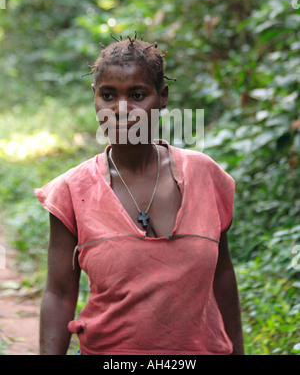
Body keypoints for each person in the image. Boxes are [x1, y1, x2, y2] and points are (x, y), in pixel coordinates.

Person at [34, 33, 244, 355]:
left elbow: (223, 277)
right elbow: (59, 295)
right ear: (95, 98)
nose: (121, 109)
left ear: (162, 97)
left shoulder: (204, 176)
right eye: (107, 95)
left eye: (137, 94)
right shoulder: (72, 191)